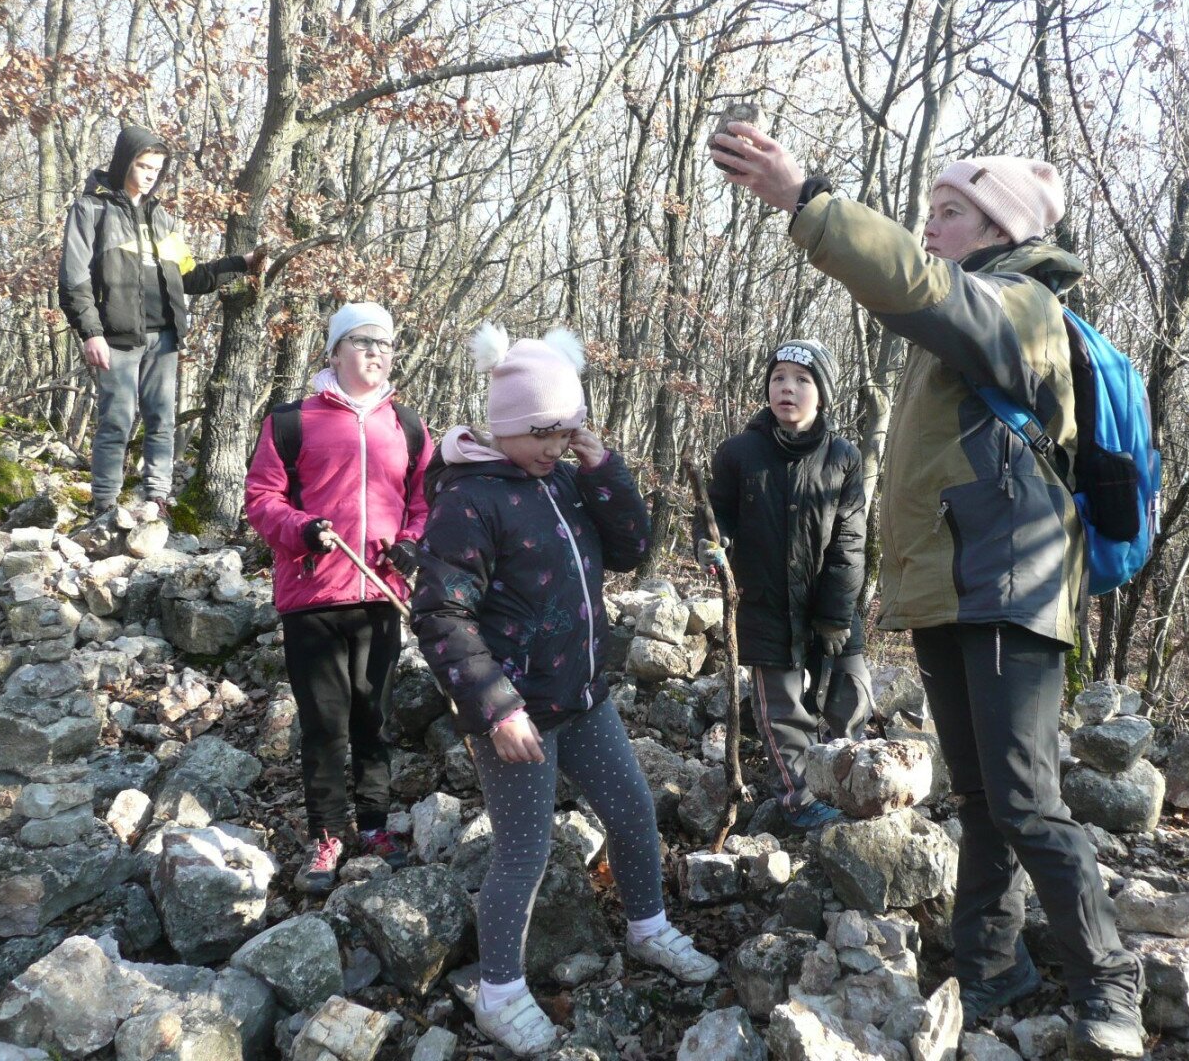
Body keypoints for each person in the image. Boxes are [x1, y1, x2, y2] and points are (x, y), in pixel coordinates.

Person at [712, 127, 1145, 1060]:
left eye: (948, 212)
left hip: (1011, 588)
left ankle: (1110, 981)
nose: (930, 224)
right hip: (961, 589)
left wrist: (808, 202)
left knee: (1026, 798)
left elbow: (915, 284)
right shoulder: (969, 320)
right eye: (931, 211)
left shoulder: (1020, 305)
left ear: (998, 227)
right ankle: (994, 967)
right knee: (985, 797)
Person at [412, 324, 717, 1056]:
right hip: (515, 712)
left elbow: (634, 547)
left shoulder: (568, 479)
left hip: (583, 696)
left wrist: (601, 462)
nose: (554, 444)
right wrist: (496, 708)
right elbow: (441, 613)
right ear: (508, 425)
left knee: (633, 809)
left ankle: (647, 928)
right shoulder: (471, 499)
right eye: (542, 432)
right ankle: (499, 992)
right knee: (526, 847)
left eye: (565, 429)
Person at [245, 302, 431, 893]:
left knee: (373, 714)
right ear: (333, 352)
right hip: (313, 593)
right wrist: (300, 529)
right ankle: (327, 834)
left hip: (380, 593)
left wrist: (411, 545)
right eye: (362, 341)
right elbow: (262, 497)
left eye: (386, 343)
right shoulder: (291, 421)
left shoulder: (409, 425)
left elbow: (425, 503)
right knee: (324, 722)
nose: (376, 351)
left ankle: (374, 825)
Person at [696, 338, 871, 832]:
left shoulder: (844, 457)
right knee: (784, 710)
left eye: (802, 380)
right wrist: (713, 546)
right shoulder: (738, 453)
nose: (787, 389)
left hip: (832, 604)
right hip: (765, 605)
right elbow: (714, 517)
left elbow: (850, 540)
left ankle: (853, 792)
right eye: (778, 379)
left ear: (823, 393)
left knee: (849, 700)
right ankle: (800, 800)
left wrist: (836, 614)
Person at [59, 125, 267, 514]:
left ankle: (157, 497)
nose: (151, 174)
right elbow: (73, 281)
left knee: (161, 418)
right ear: (124, 163)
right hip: (115, 338)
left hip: (165, 336)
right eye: (143, 165)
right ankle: (103, 504)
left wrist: (241, 263)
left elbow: (190, 277)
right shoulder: (91, 210)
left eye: (157, 168)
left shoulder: (163, 219)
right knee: (116, 421)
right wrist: (91, 333)